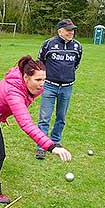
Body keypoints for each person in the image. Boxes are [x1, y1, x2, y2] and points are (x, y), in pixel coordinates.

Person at [0, 56, 72, 205]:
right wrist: (52, 146)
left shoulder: (23, 81)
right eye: (38, 80)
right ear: (26, 77)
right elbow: (27, 124)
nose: (42, 84)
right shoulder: (14, 92)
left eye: (44, 79)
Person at [35, 19, 83, 160]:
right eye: (68, 30)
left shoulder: (77, 46)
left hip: (67, 87)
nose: (71, 32)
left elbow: (76, 64)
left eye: (72, 30)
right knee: (44, 118)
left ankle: (56, 141)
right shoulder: (48, 44)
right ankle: (42, 146)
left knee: (61, 117)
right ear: (60, 31)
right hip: (49, 86)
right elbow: (40, 62)